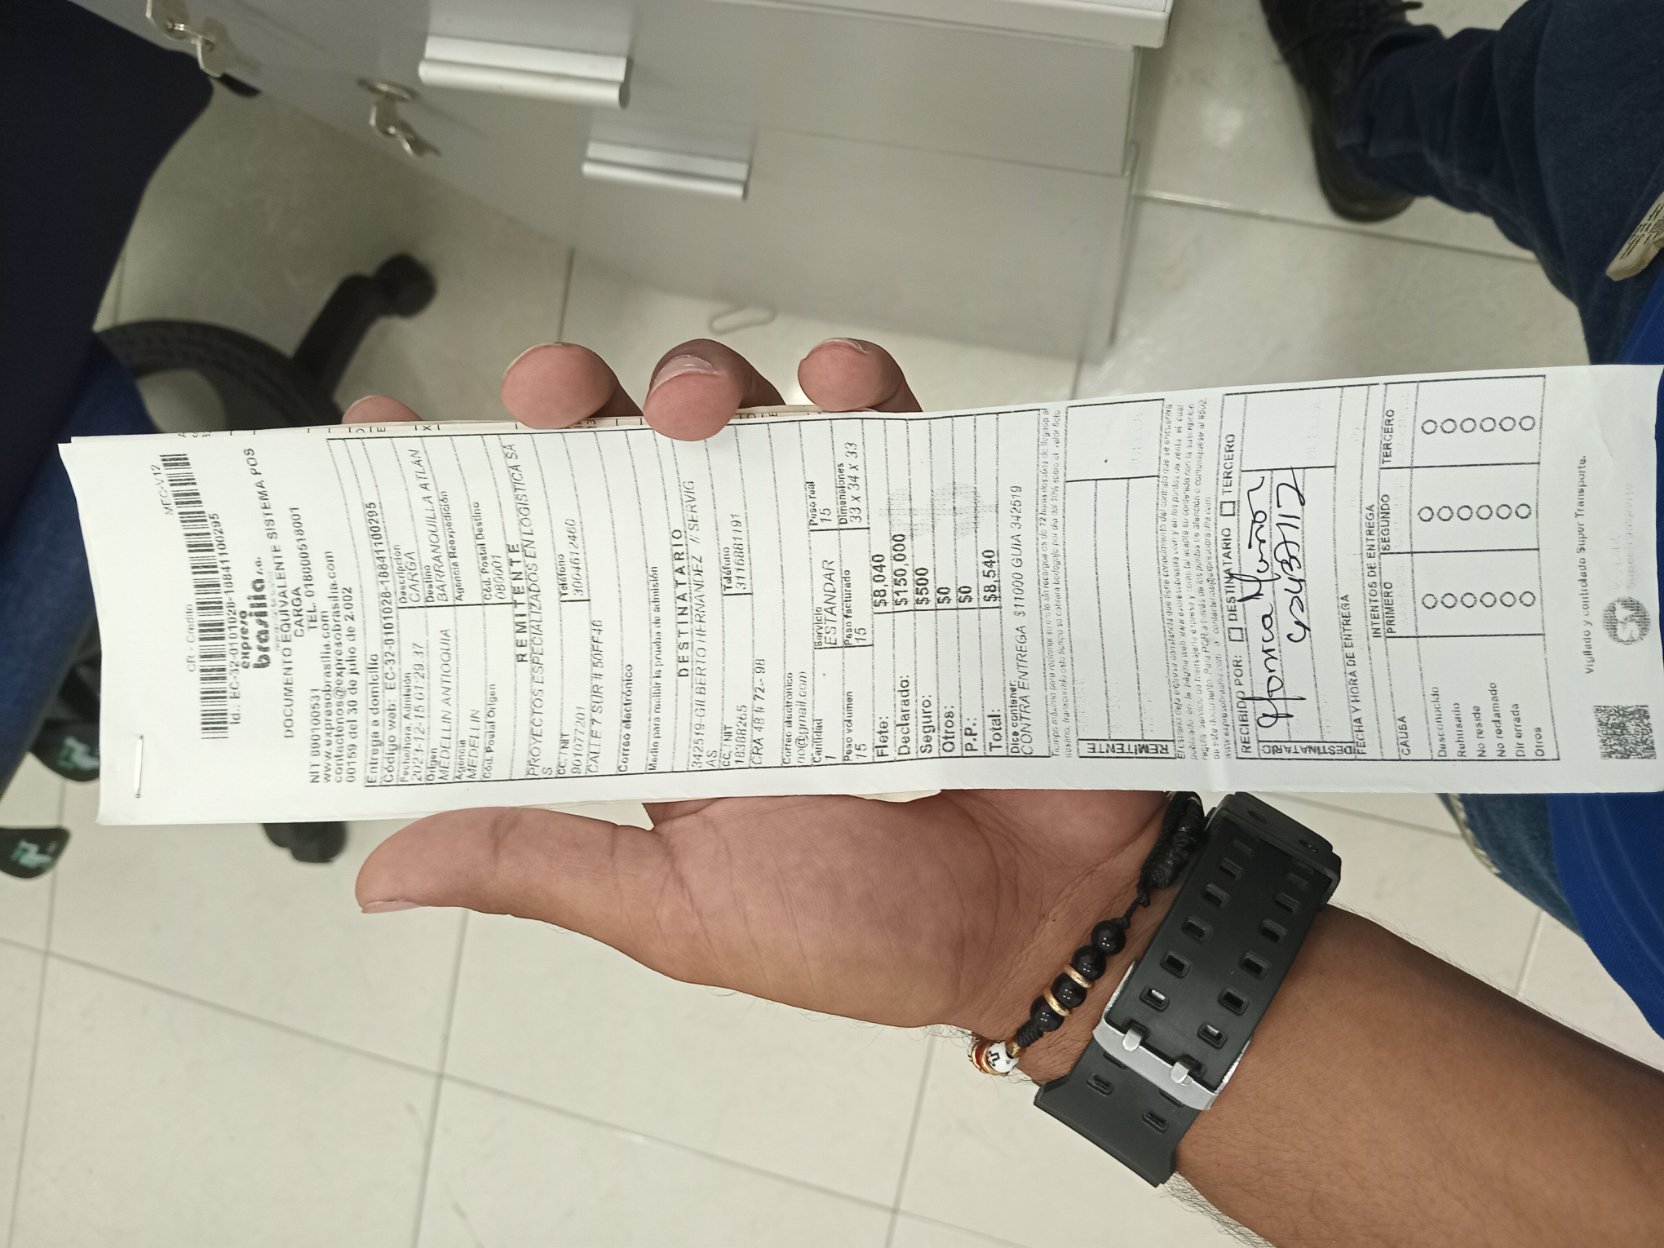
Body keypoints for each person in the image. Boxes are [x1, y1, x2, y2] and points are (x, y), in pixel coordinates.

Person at [344, 1, 1664, 1244]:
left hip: (1592, 778)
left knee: (1519, 766)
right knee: (1529, 99)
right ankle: (1375, 103)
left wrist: (1059, 941)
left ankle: (1383, 102)